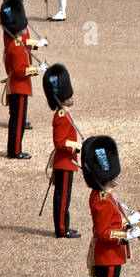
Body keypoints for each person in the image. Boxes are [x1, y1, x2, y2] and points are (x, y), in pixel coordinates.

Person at [82, 136, 140, 277]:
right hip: (107, 256)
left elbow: (113, 221)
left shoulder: (105, 195)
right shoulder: (102, 199)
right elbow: (104, 232)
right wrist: (126, 235)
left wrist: (129, 224)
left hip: (111, 255)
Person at [43, 64, 82, 239]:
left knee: (65, 197)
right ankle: (61, 228)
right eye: (69, 94)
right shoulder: (61, 116)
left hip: (68, 162)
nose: (72, 96)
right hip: (64, 162)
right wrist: (76, 147)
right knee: (63, 197)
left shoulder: (64, 114)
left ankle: (63, 225)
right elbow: (60, 142)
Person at [0, 0, 41, 160]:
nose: (26, 28)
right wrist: (36, 69)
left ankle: (15, 149)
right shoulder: (16, 47)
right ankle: (15, 150)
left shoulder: (16, 42)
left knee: (17, 120)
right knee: (18, 122)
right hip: (19, 86)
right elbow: (19, 71)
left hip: (18, 86)